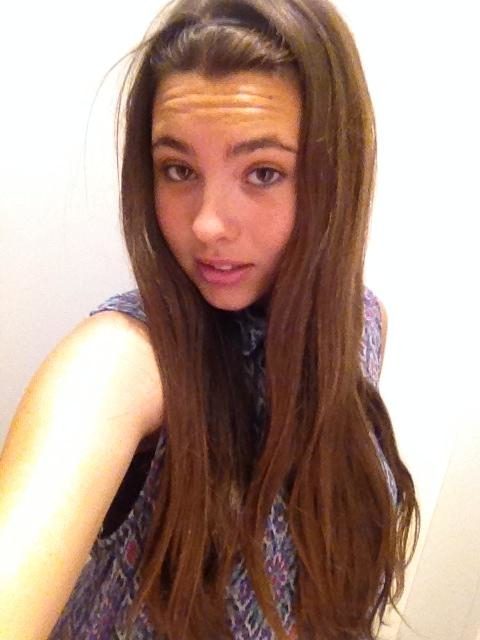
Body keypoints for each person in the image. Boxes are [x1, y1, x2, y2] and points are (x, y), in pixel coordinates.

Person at [0, 0, 419, 638]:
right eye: (178, 170)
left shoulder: (362, 325)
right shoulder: (120, 360)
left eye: (263, 172)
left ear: (335, 176)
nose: (207, 224)